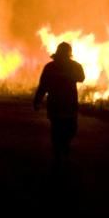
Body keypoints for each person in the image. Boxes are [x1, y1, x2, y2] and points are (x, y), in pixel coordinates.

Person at [34, 42, 85, 170]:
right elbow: (43, 85)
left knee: (71, 129)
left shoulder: (75, 66)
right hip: (56, 105)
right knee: (56, 131)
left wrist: (69, 75)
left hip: (69, 105)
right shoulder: (50, 67)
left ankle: (64, 147)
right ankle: (58, 156)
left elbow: (81, 78)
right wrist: (37, 100)